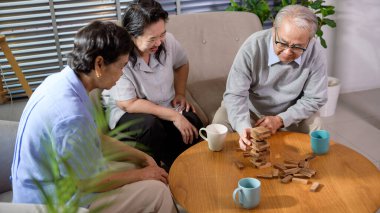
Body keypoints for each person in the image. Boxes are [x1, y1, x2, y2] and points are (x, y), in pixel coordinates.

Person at [11, 20, 176, 212]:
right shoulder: (70, 114)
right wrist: (144, 175)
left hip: (59, 183)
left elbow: (94, 138)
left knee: (144, 172)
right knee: (158, 191)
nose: (122, 74)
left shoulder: (64, 82)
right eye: (121, 66)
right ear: (99, 64)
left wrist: (142, 158)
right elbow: (86, 182)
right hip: (52, 204)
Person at [102, 0, 203, 168]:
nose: (159, 42)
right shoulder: (119, 56)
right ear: (132, 36)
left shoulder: (167, 41)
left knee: (192, 121)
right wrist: (174, 116)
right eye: (152, 39)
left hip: (162, 102)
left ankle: (189, 167)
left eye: (162, 34)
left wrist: (180, 93)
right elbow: (128, 103)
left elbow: (182, 63)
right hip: (127, 108)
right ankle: (168, 169)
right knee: (151, 127)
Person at [213, 5, 328, 151]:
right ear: (274, 28)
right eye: (282, 42)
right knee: (220, 122)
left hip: (290, 112)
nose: (287, 52)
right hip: (250, 110)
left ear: (310, 40)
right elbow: (235, 94)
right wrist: (243, 127)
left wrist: (281, 120)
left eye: (297, 47)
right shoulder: (253, 46)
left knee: (317, 125)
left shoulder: (315, 52)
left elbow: (316, 98)